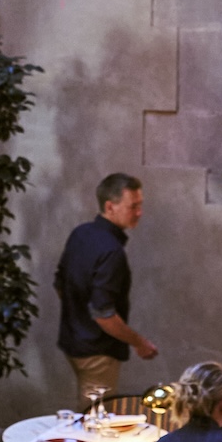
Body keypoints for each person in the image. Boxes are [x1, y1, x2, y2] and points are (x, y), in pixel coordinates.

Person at [54, 171, 158, 408]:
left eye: (140, 205)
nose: (139, 212)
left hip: (72, 340)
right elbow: (104, 314)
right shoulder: (112, 252)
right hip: (97, 352)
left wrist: (77, 317)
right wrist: (139, 342)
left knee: (89, 410)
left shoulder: (80, 233)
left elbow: (60, 283)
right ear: (110, 207)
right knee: (97, 418)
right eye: (133, 207)